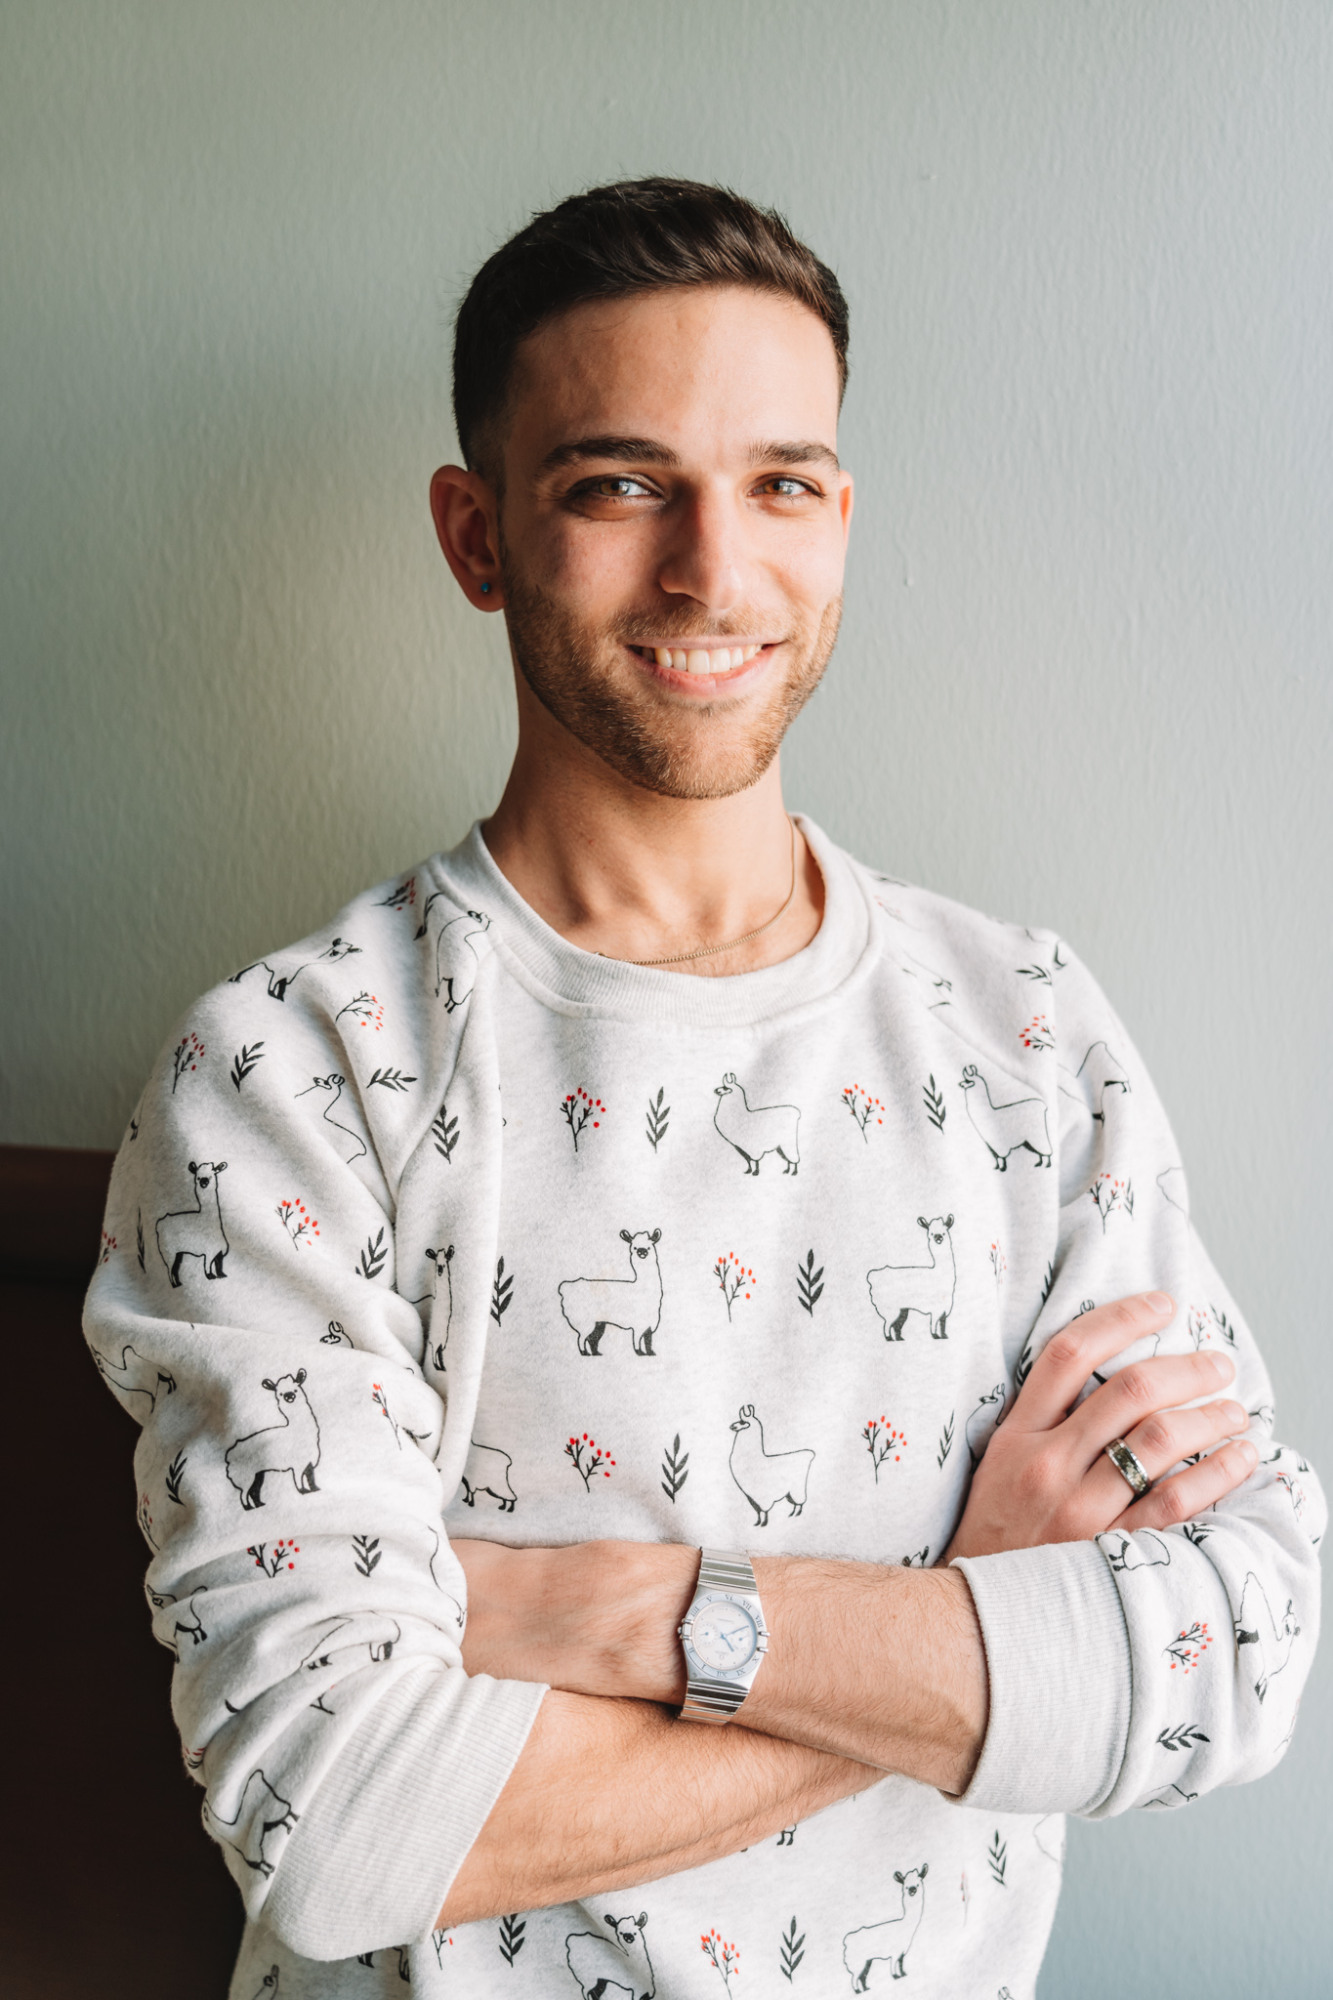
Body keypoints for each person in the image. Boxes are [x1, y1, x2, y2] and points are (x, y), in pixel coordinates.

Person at [84, 179, 1322, 1999]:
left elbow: (1232, 1658)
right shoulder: (290, 1076)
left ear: (839, 518)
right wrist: (961, 1617)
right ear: (477, 532)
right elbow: (340, 1828)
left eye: (781, 485)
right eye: (617, 484)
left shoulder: (1026, 1033)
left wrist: (602, 1612)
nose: (711, 574)